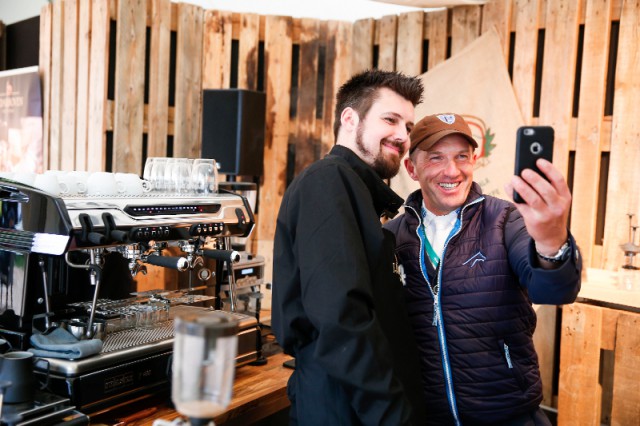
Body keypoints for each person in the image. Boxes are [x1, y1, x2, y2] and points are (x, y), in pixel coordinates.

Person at [384, 113, 582, 425]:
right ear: (412, 168)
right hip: (428, 417)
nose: (452, 170)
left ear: (474, 159)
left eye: (462, 156)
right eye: (436, 158)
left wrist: (551, 240)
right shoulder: (392, 237)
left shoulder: (506, 219)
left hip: (510, 415)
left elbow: (555, 290)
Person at [272, 69, 428, 425]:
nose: (402, 135)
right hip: (344, 407)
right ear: (349, 118)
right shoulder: (328, 182)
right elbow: (341, 318)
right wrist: (393, 416)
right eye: (390, 119)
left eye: (408, 126)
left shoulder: (360, 193)